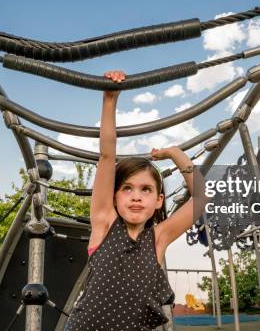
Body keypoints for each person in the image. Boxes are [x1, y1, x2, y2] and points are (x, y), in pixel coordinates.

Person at [65, 70, 207, 330]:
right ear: (115, 198)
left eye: (146, 190)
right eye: (127, 189)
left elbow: (201, 197)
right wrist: (110, 100)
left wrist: (175, 153)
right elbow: (107, 156)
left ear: (158, 200)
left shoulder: (158, 238)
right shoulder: (104, 223)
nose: (136, 197)